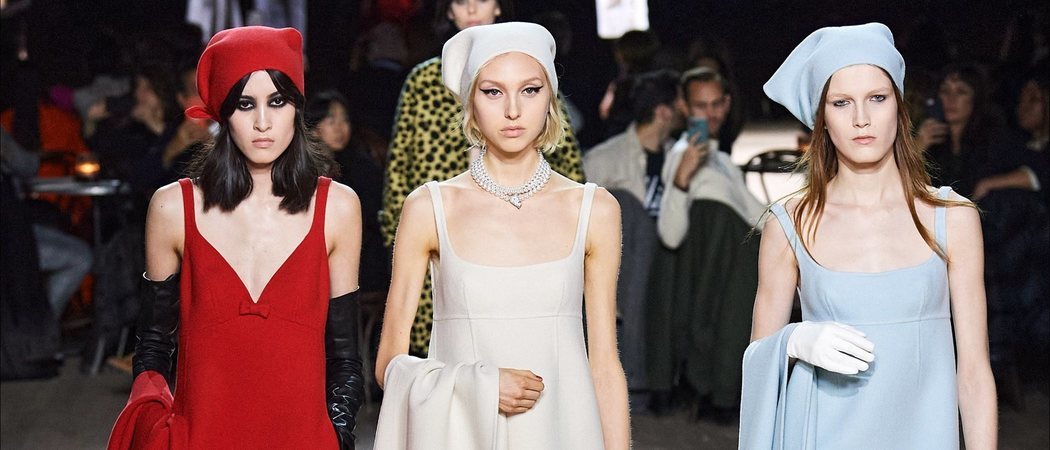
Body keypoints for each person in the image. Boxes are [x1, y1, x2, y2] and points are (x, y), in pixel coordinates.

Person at [373, 22, 630, 449]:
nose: (513, 110)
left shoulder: (595, 209)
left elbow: (604, 366)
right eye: (493, 91)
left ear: (550, 98)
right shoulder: (429, 208)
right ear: (470, 102)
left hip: (565, 433)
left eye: (530, 90)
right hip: (465, 436)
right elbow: (388, 365)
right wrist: (480, 386)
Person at [740, 23, 997, 449]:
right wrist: (792, 340)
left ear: (899, 106)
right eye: (841, 102)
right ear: (822, 119)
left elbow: (973, 372)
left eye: (877, 98)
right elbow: (756, 360)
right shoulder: (790, 224)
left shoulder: (952, 218)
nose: (861, 118)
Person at [107, 26, 365, 449]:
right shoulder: (174, 208)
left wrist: (335, 437)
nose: (263, 122)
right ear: (223, 112)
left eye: (277, 101)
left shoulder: (337, 207)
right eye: (245, 104)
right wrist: (160, 429)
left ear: (296, 107)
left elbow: (345, 359)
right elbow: (153, 346)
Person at [381, 0, 585, 357]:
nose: (472, 9)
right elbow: (400, 165)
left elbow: (567, 162)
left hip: (528, 239)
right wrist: (405, 242)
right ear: (448, 11)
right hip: (439, 240)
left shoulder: (530, 66)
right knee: (441, 355)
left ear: (499, 7)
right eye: (461, 1)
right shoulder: (425, 81)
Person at [646, 68, 766, 421]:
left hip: (728, 255)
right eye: (700, 106)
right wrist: (682, 179)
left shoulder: (721, 159)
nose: (710, 114)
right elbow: (670, 235)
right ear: (684, 107)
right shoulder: (681, 153)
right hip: (715, 260)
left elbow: (757, 214)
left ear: (727, 105)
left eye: (716, 105)